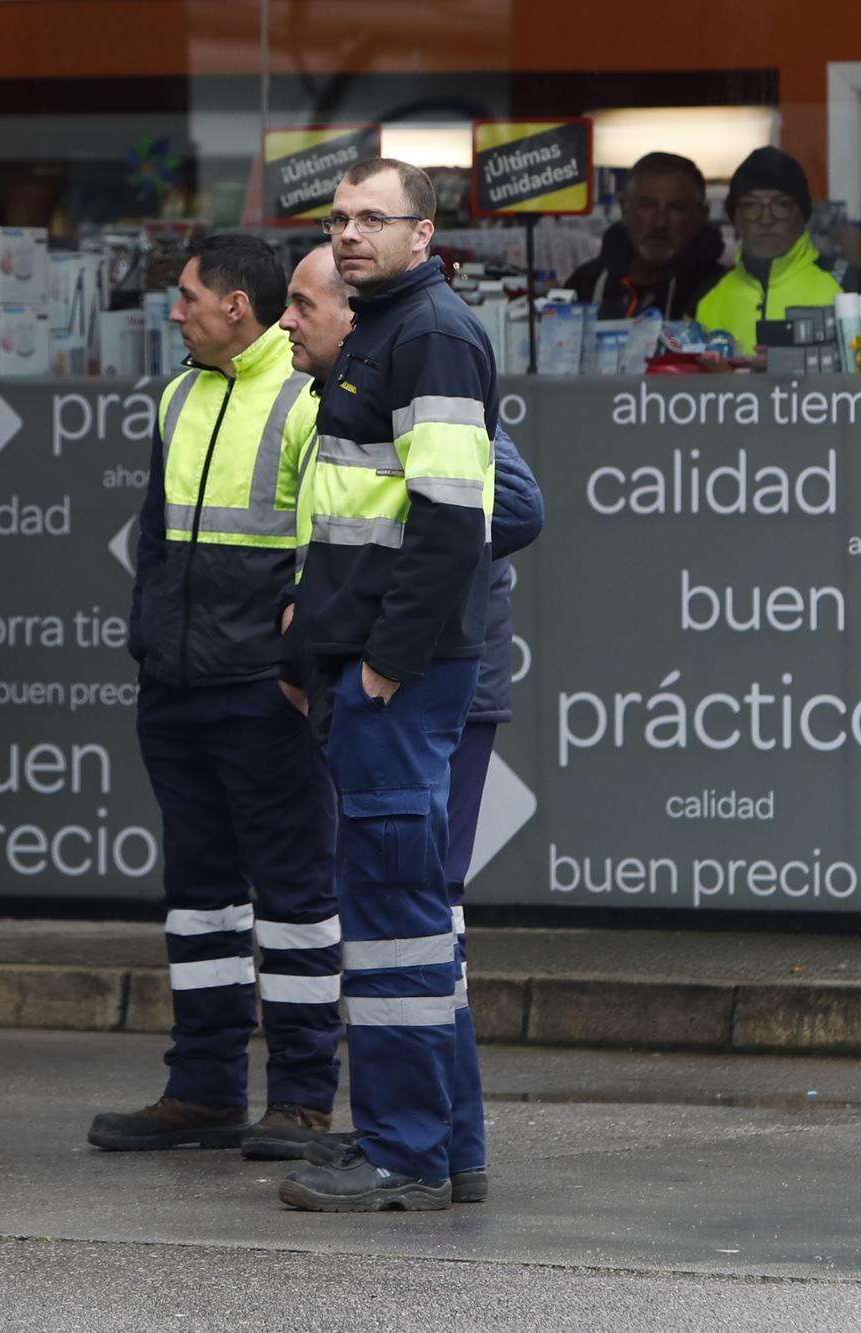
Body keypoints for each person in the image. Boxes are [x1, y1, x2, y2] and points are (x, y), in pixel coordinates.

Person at [279, 238, 546, 1206]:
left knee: (410, 919)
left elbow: (503, 506)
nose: (289, 322)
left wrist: (389, 640)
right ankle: (449, 1141)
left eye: (304, 305)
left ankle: (413, 1142)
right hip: (398, 672)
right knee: (417, 923)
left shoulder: (424, 372)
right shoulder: (348, 392)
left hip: (427, 681)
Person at [89, 234, 340, 1162]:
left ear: (239, 305)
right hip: (179, 683)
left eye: (189, 296)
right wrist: (148, 641)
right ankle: (203, 1089)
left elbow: (327, 544)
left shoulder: (306, 395)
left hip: (262, 691)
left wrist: (296, 659)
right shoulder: (178, 394)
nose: (177, 310)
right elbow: (153, 539)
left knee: (293, 897)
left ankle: (304, 1098)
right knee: (199, 901)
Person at [696, 146, 861, 352]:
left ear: (803, 214)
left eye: (781, 204)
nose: (766, 219)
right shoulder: (704, 300)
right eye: (750, 205)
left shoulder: (856, 290)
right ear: (734, 217)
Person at [565, 152, 727, 319]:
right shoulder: (586, 284)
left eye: (676, 208)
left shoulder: (720, 291)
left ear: (701, 216)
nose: (660, 223)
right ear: (625, 209)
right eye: (647, 206)